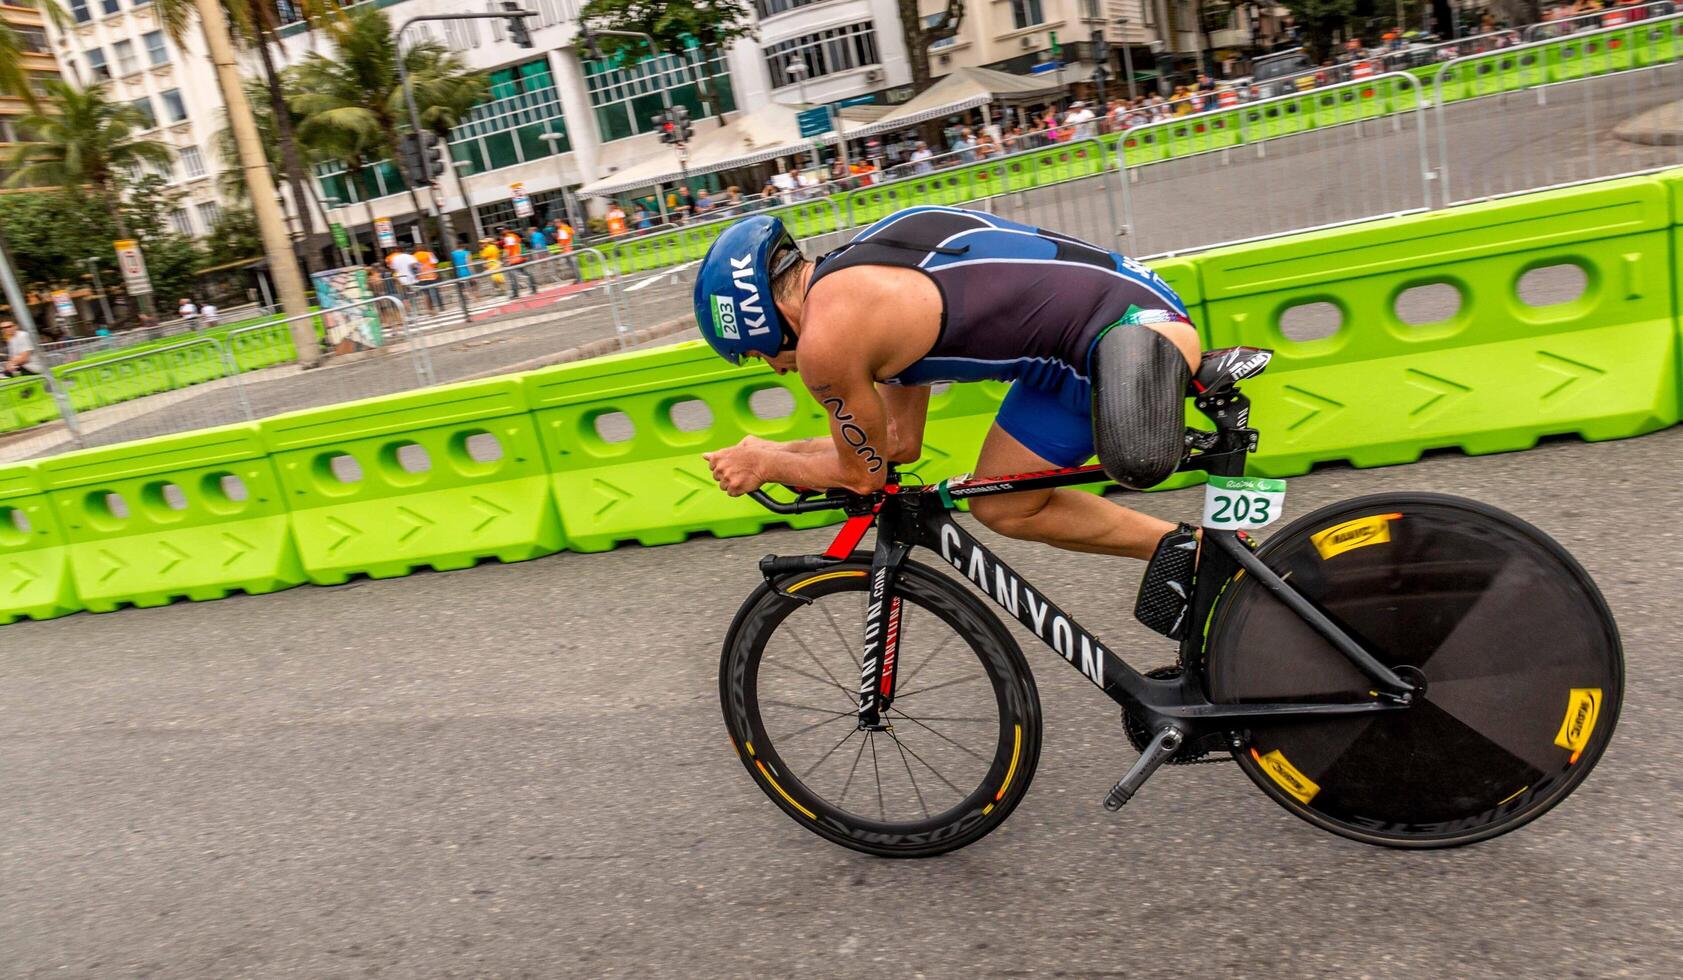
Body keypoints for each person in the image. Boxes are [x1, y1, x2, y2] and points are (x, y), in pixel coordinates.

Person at [693, 208, 1205, 627]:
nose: (776, 370)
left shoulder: (826, 343)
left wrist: (767, 465)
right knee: (1001, 503)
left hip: (1128, 342)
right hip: (1112, 329)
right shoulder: (859, 273)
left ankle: (1204, 558)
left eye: (758, 356)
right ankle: (1186, 551)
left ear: (759, 324)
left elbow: (861, 474)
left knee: (1061, 488)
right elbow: (895, 443)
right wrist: (774, 453)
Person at [498, 227, 538, 298]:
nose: (501, 232)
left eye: (502, 230)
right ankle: (534, 288)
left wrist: (503, 259)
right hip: (520, 258)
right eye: (500, 231)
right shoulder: (514, 236)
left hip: (514, 259)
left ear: (507, 230)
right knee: (526, 273)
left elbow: (508, 250)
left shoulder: (508, 237)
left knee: (512, 277)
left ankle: (515, 294)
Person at [411, 242, 442, 312]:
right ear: (423, 247)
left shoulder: (413, 256)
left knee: (426, 294)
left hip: (421, 277)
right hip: (432, 275)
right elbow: (435, 263)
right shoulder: (429, 254)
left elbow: (413, 267)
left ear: (415, 249)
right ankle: (440, 307)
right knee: (435, 290)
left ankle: (430, 309)